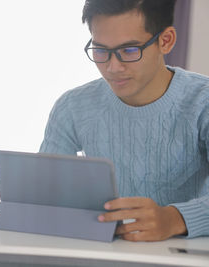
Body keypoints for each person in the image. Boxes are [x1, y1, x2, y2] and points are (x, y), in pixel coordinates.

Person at [40, 0, 209, 241]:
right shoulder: (72, 106)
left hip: (183, 255)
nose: (113, 67)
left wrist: (174, 219)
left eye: (129, 51)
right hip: (100, 252)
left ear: (166, 40)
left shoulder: (203, 101)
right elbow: (43, 196)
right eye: (100, 51)